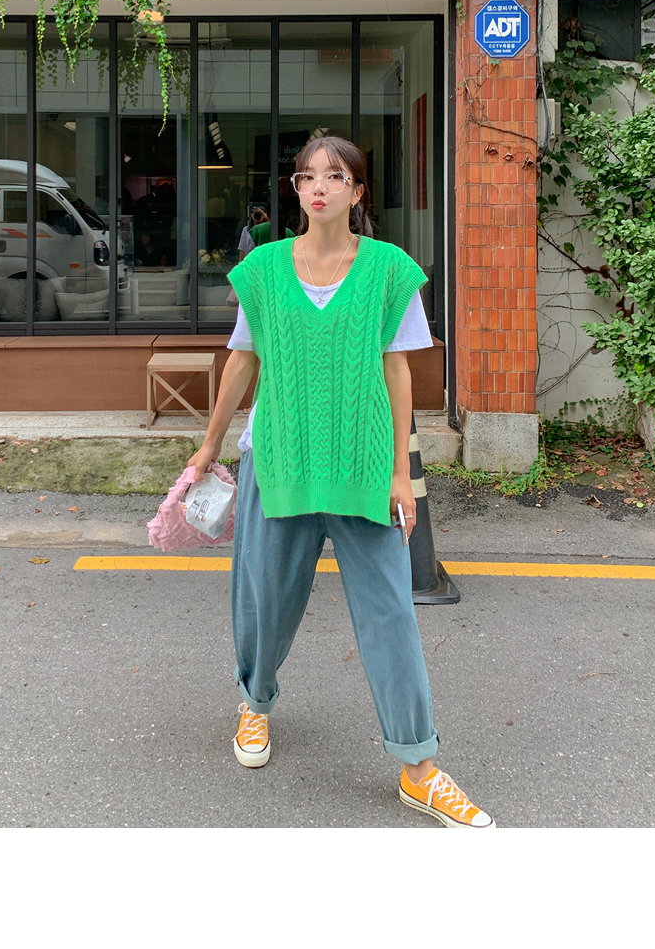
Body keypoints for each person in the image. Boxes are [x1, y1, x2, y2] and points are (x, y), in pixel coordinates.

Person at [187, 136, 495, 828]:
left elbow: (397, 370)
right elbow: (242, 359)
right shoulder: (263, 269)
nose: (319, 186)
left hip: (362, 465)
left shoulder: (387, 270)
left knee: (390, 613)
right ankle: (255, 702)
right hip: (280, 458)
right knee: (265, 599)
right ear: (296, 190)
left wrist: (400, 473)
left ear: (357, 192)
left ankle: (418, 767)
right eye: (307, 176)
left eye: (335, 176)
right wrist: (209, 445)